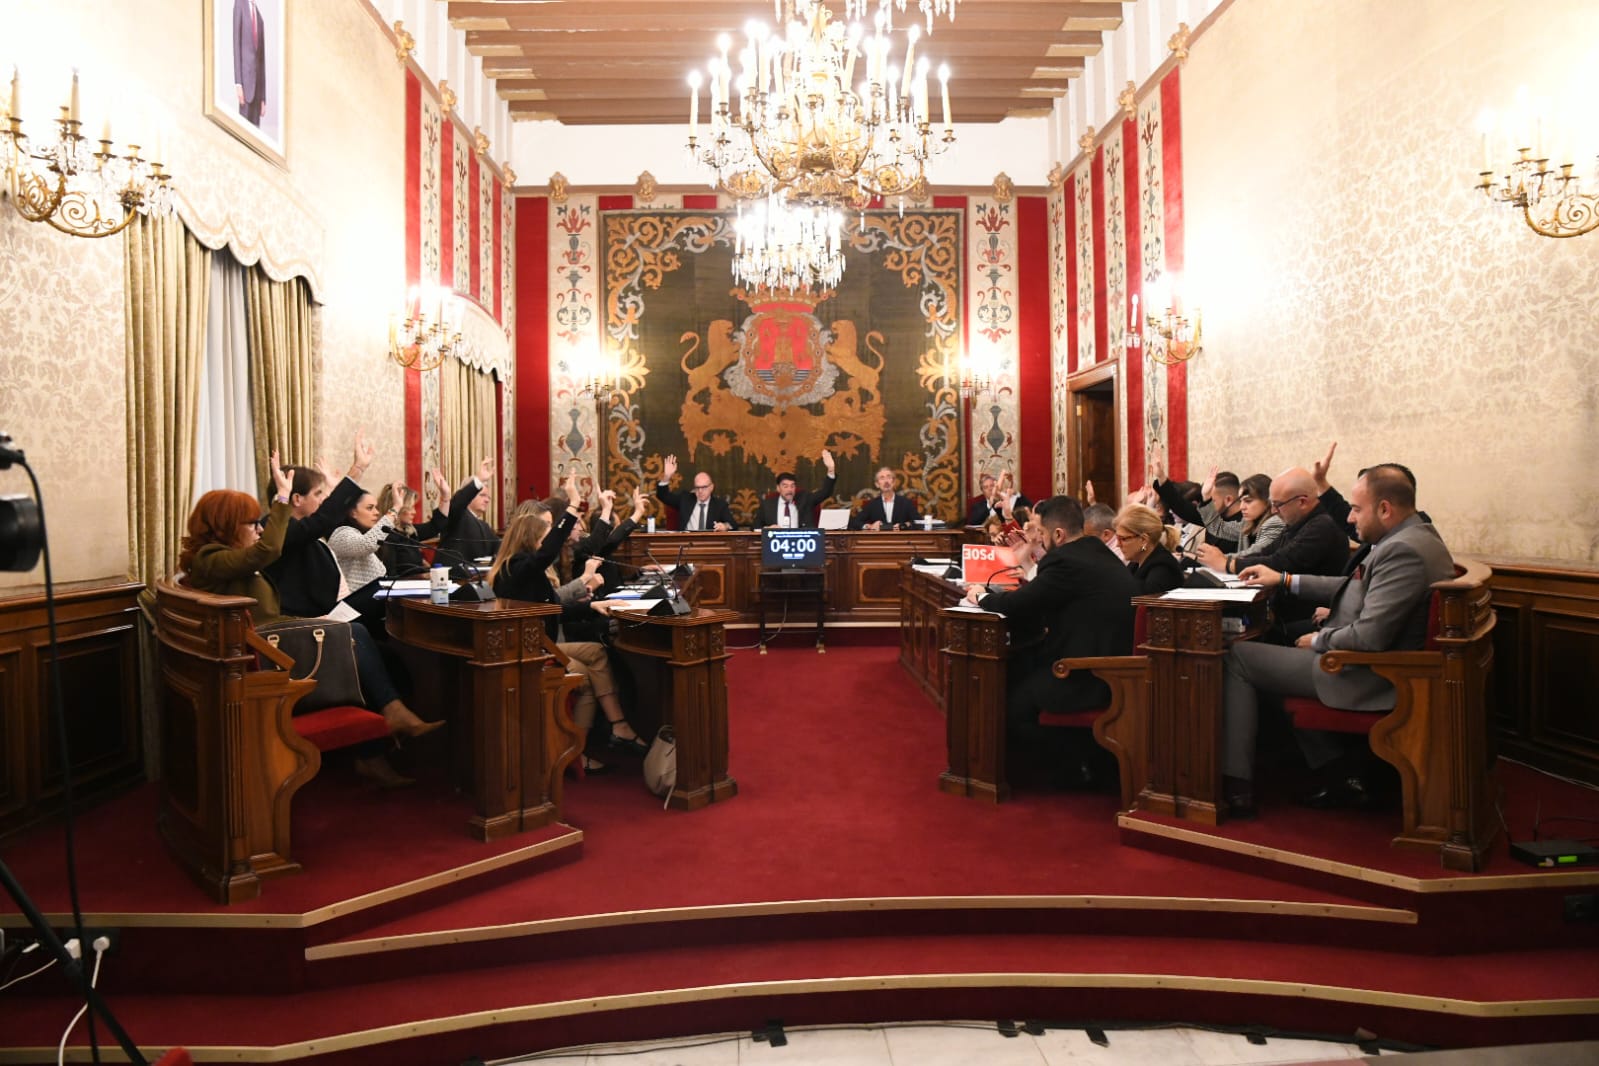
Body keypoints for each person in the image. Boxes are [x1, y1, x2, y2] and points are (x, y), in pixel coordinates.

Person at [179, 453, 427, 788]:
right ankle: (390, 721)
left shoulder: (228, 556)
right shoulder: (214, 558)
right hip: (273, 653)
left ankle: (385, 734)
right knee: (355, 634)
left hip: (281, 637)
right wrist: (287, 497)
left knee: (373, 647)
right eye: (250, 523)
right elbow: (271, 550)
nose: (257, 528)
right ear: (225, 526)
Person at [1219, 466, 1455, 817]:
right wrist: (1285, 580)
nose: (1349, 515)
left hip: (1369, 674)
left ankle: (1235, 787)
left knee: (1236, 656)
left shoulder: (1401, 551)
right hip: (1368, 661)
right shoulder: (1414, 537)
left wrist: (1319, 639)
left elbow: (1370, 637)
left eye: (1357, 509)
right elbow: (1352, 589)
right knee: (1268, 652)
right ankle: (1339, 772)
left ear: (1385, 509)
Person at [965, 496, 1137, 788]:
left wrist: (980, 596)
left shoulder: (1065, 560)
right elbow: (1046, 596)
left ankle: (1069, 769)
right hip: (1113, 667)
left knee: (1009, 701)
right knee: (1020, 667)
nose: (1040, 541)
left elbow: (1019, 604)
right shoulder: (1096, 552)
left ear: (1059, 535)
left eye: (1042, 535)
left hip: (1086, 675)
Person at [489, 473, 647, 771]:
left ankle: (610, 730)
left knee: (598, 654)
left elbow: (553, 608)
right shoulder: (519, 566)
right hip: (532, 650)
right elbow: (549, 555)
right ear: (533, 533)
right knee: (586, 678)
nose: (553, 534)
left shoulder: (528, 565)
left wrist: (594, 604)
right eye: (548, 528)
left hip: (546, 641)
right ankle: (573, 749)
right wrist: (573, 505)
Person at [1225, 467, 1350, 580]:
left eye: (1278, 504)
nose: (1273, 510)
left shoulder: (1323, 526)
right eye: (1272, 504)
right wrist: (1227, 561)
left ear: (1302, 502)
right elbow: (1267, 552)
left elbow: (1280, 563)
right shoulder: (1296, 522)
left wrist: (1228, 564)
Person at [1193, 473, 1284, 573]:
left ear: (1267, 501)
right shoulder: (1248, 523)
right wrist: (1206, 497)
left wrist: (1215, 559)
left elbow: (1255, 554)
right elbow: (1218, 528)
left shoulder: (1275, 523)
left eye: (1248, 501)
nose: (1242, 507)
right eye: (1241, 501)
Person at [375, 469, 450, 576]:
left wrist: (445, 496)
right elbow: (390, 576)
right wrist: (421, 577)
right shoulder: (386, 537)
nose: (414, 512)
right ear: (397, 506)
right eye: (410, 508)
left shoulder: (409, 531)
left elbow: (436, 525)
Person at [438, 457, 501, 564]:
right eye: (482, 495)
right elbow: (456, 503)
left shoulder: (484, 526)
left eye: (489, 497)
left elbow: (499, 547)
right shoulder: (457, 515)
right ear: (469, 495)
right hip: (452, 576)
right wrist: (479, 481)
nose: (487, 500)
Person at [1113, 503, 1185, 596]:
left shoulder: (1163, 569)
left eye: (1123, 539)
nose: (1117, 544)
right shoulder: (1136, 562)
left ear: (1143, 540)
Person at [656, 455, 736, 531]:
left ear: (711, 487)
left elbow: (733, 525)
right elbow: (663, 496)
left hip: (709, 543)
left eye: (704, 487)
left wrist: (725, 526)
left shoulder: (720, 505)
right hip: (687, 542)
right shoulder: (685, 499)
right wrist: (667, 477)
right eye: (697, 487)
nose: (700, 491)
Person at [758, 449, 836, 528]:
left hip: (802, 539)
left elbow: (826, 492)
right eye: (785, 486)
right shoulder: (767, 505)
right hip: (776, 539)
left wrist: (831, 469)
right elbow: (755, 527)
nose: (789, 489)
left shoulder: (805, 499)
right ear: (778, 488)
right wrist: (767, 529)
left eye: (792, 486)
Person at [850, 466, 923, 530]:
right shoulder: (872, 505)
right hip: (879, 542)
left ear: (894, 482)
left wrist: (905, 525)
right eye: (882, 478)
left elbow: (919, 522)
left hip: (901, 541)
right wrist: (869, 526)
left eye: (889, 477)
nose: (886, 481)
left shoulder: (906, 502)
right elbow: (855, 523)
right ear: (877, 484)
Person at [232, 0, 267, 126]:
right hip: (245, 86)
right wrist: (238, 83)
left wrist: (263, 97)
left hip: (257, 91)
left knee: (255, 133)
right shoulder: (239, 4)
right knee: (243, 130)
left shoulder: (260, 18)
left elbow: (262, 61)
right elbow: (236, 45)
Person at [966, 471, 1031, 527]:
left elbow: (1028, 509)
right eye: (986, 487)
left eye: (992, 485)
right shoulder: (977, 506)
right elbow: (973, 523)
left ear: (996, 487)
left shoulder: (1006, 502)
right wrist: (990, 505)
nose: (990, 489)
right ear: (982, 491)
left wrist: (1016, 494)